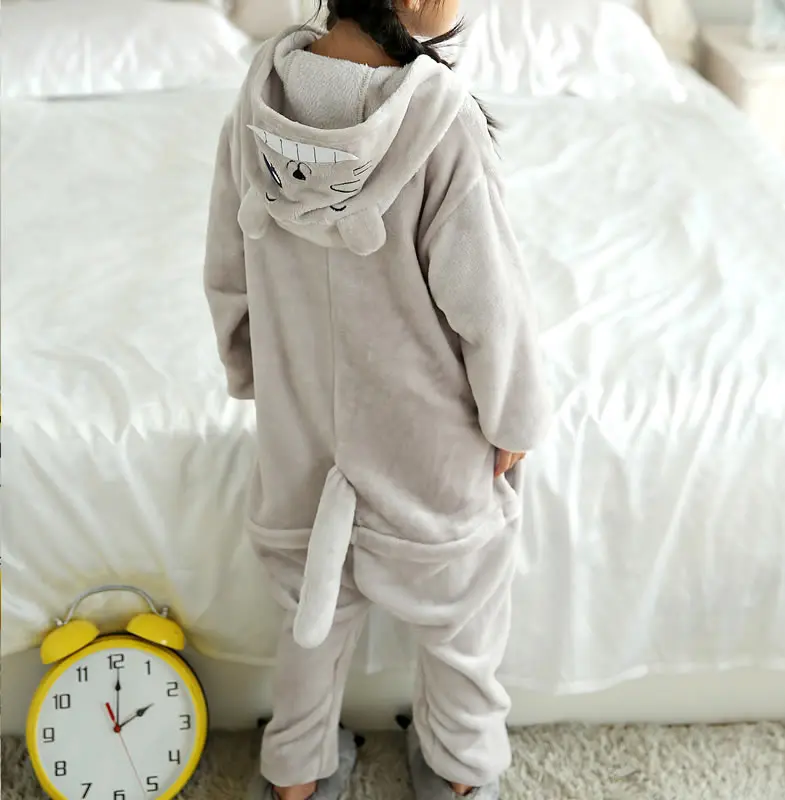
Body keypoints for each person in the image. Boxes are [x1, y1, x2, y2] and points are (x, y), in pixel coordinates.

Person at [204, 1, 551, 798]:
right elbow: (490, 307)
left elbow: (227, 274)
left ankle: (295, 776)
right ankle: (459, 774)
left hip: (299, 435)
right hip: (426, 448)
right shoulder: (443, 127)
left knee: (311, 615)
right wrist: (513, 419)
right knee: (463, 613)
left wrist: (252, 375)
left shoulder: (254, 115)